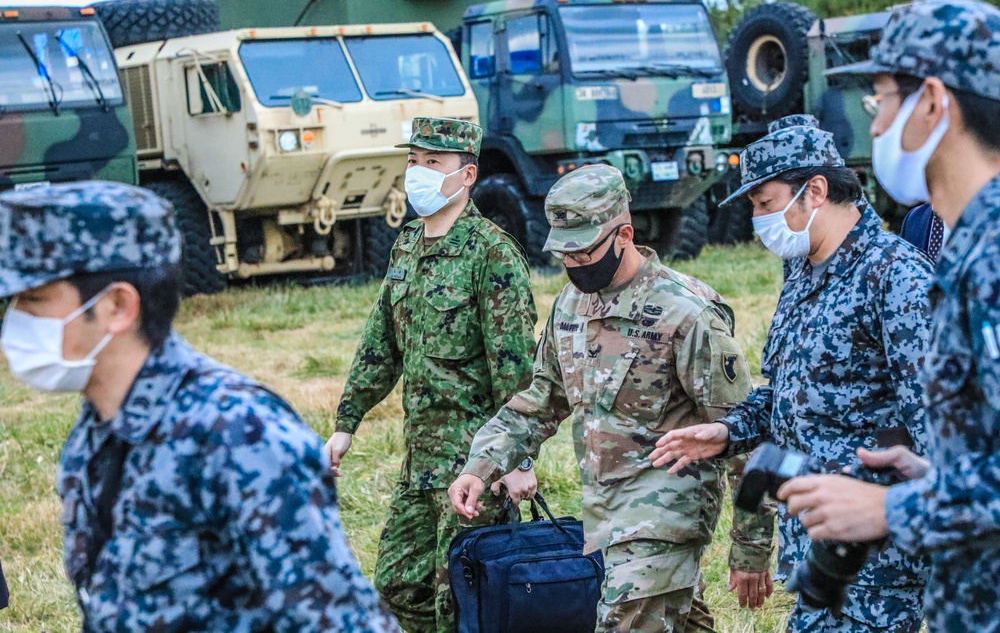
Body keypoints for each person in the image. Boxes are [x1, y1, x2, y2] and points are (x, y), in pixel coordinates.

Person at [0, 182, 397, 631]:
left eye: (34, 300)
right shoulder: (98, 430)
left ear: (116, 306)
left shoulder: (238, 434)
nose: (16, 320)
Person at [651, 114, 933, 632]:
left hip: (877, 562)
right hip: (814, 548)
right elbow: (788, 392)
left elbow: (935, 430)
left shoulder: (896, 277)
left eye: (766, 204)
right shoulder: (803, 271)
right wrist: (728, 431)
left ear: (816, 190)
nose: (759, 222)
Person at [449, 164, 758, 632]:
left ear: (624, 235)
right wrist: (481, 464)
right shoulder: (571, 307)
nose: (573, 265)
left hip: (665, 517)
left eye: (583, 251)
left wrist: (750, 548)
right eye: (564, 254)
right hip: (605, 515)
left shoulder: (686, 313)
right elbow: (541, 400)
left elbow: (743, 432)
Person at [776, 0, 1000, 633]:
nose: (872, 128)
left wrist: (891, 511)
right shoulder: (970, 247)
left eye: (880, 102)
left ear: (932, 102)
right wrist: (932, 476)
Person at [326, 117, 539, 633]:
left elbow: (515, 368)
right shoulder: (406, 247)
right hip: (420, 463)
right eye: (413, 161)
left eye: (433, 163)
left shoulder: (492, 254)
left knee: (463, 600)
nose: (417, 172)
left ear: (466, 176)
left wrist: (516, 458)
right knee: (398, 587)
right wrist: (345, 423)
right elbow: (380, 345)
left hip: (475, 466)